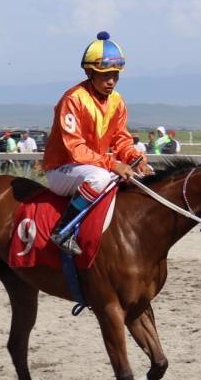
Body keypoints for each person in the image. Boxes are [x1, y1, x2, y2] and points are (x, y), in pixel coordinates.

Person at [42, 31, 150, 255]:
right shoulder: (72, 100)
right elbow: (76, 149)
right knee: (99, 177)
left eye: (115, 75)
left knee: (143, 178)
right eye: (105, 75)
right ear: (89, 72)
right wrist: (113, 165)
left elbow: (121, 137)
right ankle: (63, 230)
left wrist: (134, 158)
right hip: (63, 168)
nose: (111, 81)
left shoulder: (117, 102)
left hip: (94, 165)